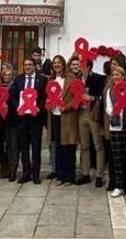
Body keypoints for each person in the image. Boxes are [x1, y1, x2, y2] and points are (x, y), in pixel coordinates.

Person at [10, 58, 46, 183]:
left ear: (35, 66)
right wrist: (18, 107)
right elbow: (13, 96)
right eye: (25, 65)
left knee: (36, 147)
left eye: (30, 65)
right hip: (22, 118)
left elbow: (44, 97)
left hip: (36, 118)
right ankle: (26, 173)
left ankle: (36, 174)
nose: (27, 67)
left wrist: (38, 108)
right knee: (23, 146)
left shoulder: (42, 79)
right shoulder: (18, 79)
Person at [105, 65, 126, 200]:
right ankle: (119, 185)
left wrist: (125, 97)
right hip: (116, 126)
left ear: (123, 76)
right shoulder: (110, 91)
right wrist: (114, 112)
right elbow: (108, 107)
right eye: (114, 75)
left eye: (118, 75)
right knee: (117, 158)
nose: (115, 77)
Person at [74, 56, 106, 187]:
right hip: (81, 114)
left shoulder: (98, 78)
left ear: (88, 66)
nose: (79, 67)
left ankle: (99, 175)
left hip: (93, 114)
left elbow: (103, 96)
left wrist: (92, 97)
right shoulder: (77, 79)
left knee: (98, 146)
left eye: (81, 65)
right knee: (84, 146)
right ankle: (85, 173)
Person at [48, 55, 78, 186]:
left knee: (68, 146)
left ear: (64, 64)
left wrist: (67, 107)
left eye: (59, 62)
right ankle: (60, 175)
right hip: (54, 116)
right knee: (58, 146)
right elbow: (47, 96)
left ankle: (70, 176)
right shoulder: (51, 80)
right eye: (55, 63)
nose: (57, 65)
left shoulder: (70, 77)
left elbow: (77, 97)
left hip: (67, 116)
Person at [0, 64, 19, 180]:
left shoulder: (15, 87)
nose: (7, 76)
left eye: (9, 74)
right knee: (1, 146)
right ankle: (3, 167)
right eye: (5, 74)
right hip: (0, 121)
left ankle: (13, 169)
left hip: (12, 120)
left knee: (13, 145)